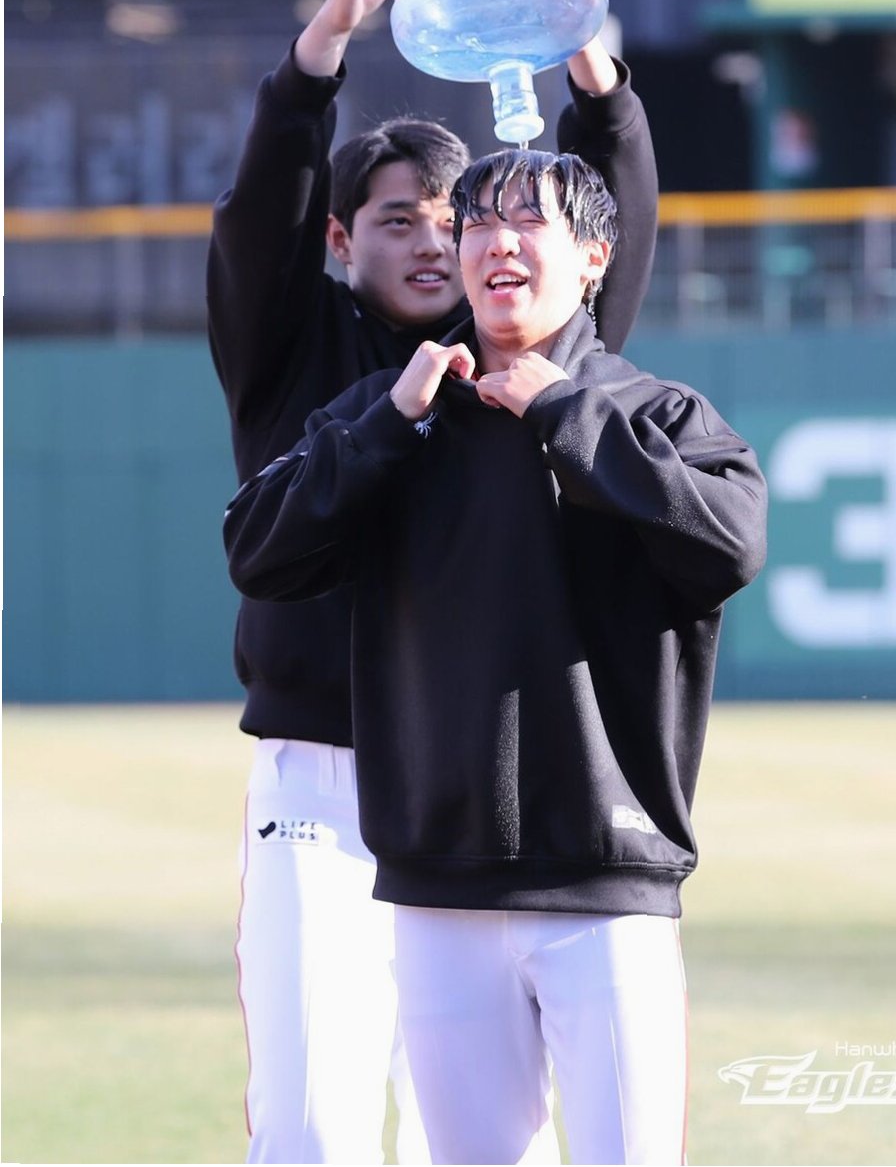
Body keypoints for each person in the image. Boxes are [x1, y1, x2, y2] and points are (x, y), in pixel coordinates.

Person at [207, 0, 659, 1165]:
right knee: (315, 1126)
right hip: (324, 772)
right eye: (395, 217)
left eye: (452, 220)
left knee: (480, 1137)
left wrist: (586, 51)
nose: (430, 240)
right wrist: (325, 44)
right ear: (339, 236)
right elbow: (257, 218)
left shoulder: (516, 356)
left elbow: (605, 231)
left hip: (476, 773)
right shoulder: (290, 351)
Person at [222, 148, 768, 1166]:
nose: (495, 241)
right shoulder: (399, 410)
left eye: (528, 221)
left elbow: (728, 544)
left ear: (595, 256)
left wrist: (564, 411)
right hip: (439, 889)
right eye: (478, 221)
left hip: (606, 885)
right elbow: (258, 549)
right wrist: (387, 425)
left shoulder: (656, 414)